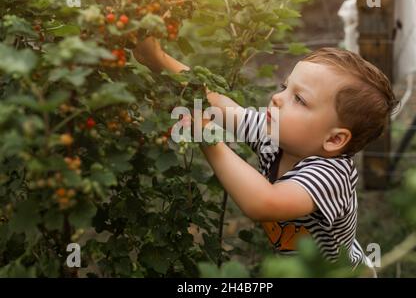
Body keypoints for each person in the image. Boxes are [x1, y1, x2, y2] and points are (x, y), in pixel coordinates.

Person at [133, 37, 398, 275]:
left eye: (300, 99)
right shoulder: (275, 136)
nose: (277, 98)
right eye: (285, 87)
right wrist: (158, 58)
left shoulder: (331, 175)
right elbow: (219, 103)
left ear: (334, 139)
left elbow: (264, 203)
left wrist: (208, 138)